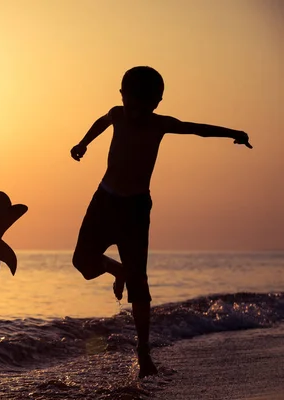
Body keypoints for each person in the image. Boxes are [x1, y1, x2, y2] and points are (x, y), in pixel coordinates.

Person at [70, 66, 252, 378]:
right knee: (83, 264)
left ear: (157, 102)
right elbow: (101, 122)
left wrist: (234, 133)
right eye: (132, 104)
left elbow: (197, 128)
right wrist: (83, 143)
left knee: (140, 286)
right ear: (122, 96)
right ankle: (119, 271)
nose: (137, 113)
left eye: (146, 106)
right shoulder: (116, 113)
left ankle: (143, 353)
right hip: (105, 200)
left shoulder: (160, 124)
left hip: (136, 210)